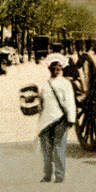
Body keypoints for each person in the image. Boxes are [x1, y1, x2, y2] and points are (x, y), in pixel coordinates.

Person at [37, 55, 76, 183]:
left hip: (60, 119)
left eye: (58, 67)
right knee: (46, 149)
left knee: (58, 147)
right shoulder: (45, 84)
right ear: (49, 69)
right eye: (53, 67)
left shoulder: (65, 84)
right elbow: (41, 102)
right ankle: (47, 175)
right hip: (46, 120)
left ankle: (59, 175)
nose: (55, 69)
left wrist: (71, 118)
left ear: (61, 69)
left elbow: (70, 101)